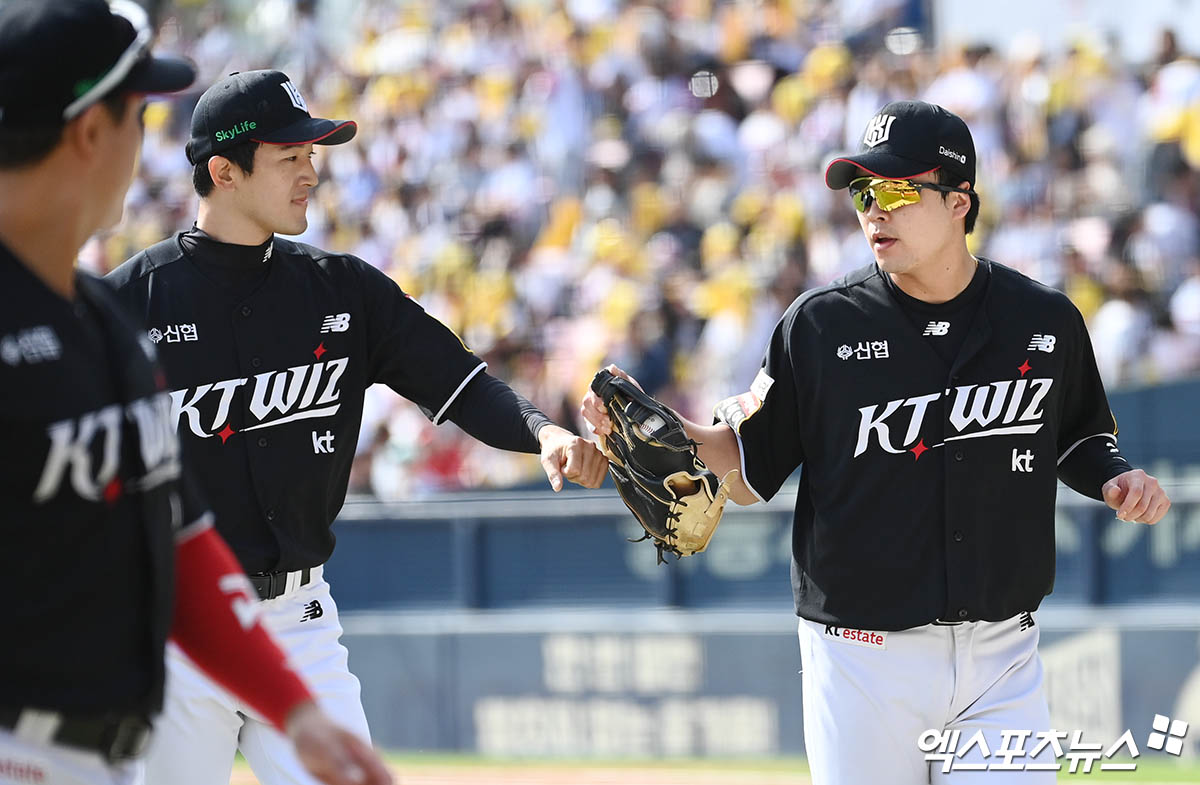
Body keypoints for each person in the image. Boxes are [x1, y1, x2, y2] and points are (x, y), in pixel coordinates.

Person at [581, 100, 1172, 785]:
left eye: (895, 189)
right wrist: (662, 427)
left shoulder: (1042, 319)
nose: (873, 209)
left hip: (1004, 661)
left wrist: (1115, 476)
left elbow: (1079, 434)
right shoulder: (821, 326)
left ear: (959, 202)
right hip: (862, 662)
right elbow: (747, 461)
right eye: (863, 192)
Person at [105, 69, 608, 784]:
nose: (311, 171)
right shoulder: (128, 303)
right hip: (177, 629)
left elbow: (460, 382)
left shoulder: (342, 288)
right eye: (290, 157)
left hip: (300, 618)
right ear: (224, 170)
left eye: (313, 155)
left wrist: (544, 433)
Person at [0, 3, 392, 785]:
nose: (143, 145)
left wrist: (296, 706)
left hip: (93, 751)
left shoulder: (106, 324)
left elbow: (178, 540)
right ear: (88, 134)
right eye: (136, 115)